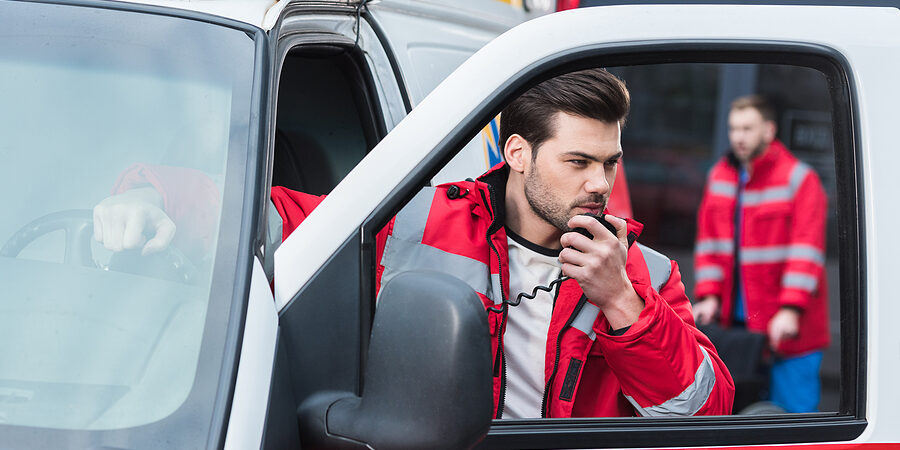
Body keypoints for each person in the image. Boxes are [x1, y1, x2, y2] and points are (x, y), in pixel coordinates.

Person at [93, 68, 734, 418]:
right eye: (578, 161)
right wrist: (151, 196)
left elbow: (702, 409)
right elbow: (280, 218)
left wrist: (623, 303)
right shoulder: (418, 220)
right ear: (517, 152)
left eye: (610, 162)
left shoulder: (642, 272)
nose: (601, 183)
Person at [693, 95, 829, 413]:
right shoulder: (720, 177)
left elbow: (806, 251)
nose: (738, 137)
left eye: (747, 128)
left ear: (769, 130)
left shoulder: (799, 179)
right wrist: (710, 296)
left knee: (794, 420)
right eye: (733, 128)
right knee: (741, 420)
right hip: (740, 328)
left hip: (788, 327)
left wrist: (791, 309)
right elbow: (710, 245)